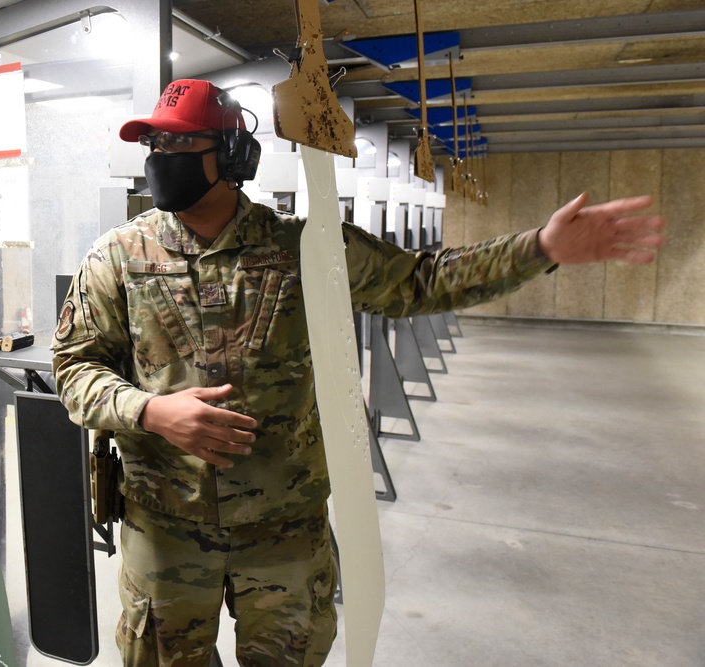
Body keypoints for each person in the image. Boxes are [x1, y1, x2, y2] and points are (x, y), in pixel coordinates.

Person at [51, 78, 666, 666]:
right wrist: (149, 411)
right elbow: (73, 366)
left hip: (284, 529)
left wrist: (540, 249)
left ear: (232, 154)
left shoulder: (305, 247)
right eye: (154, 144)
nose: (162, 156)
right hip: (165, 528)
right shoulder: (118, 256)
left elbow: (422, 281)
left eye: (181, 142)